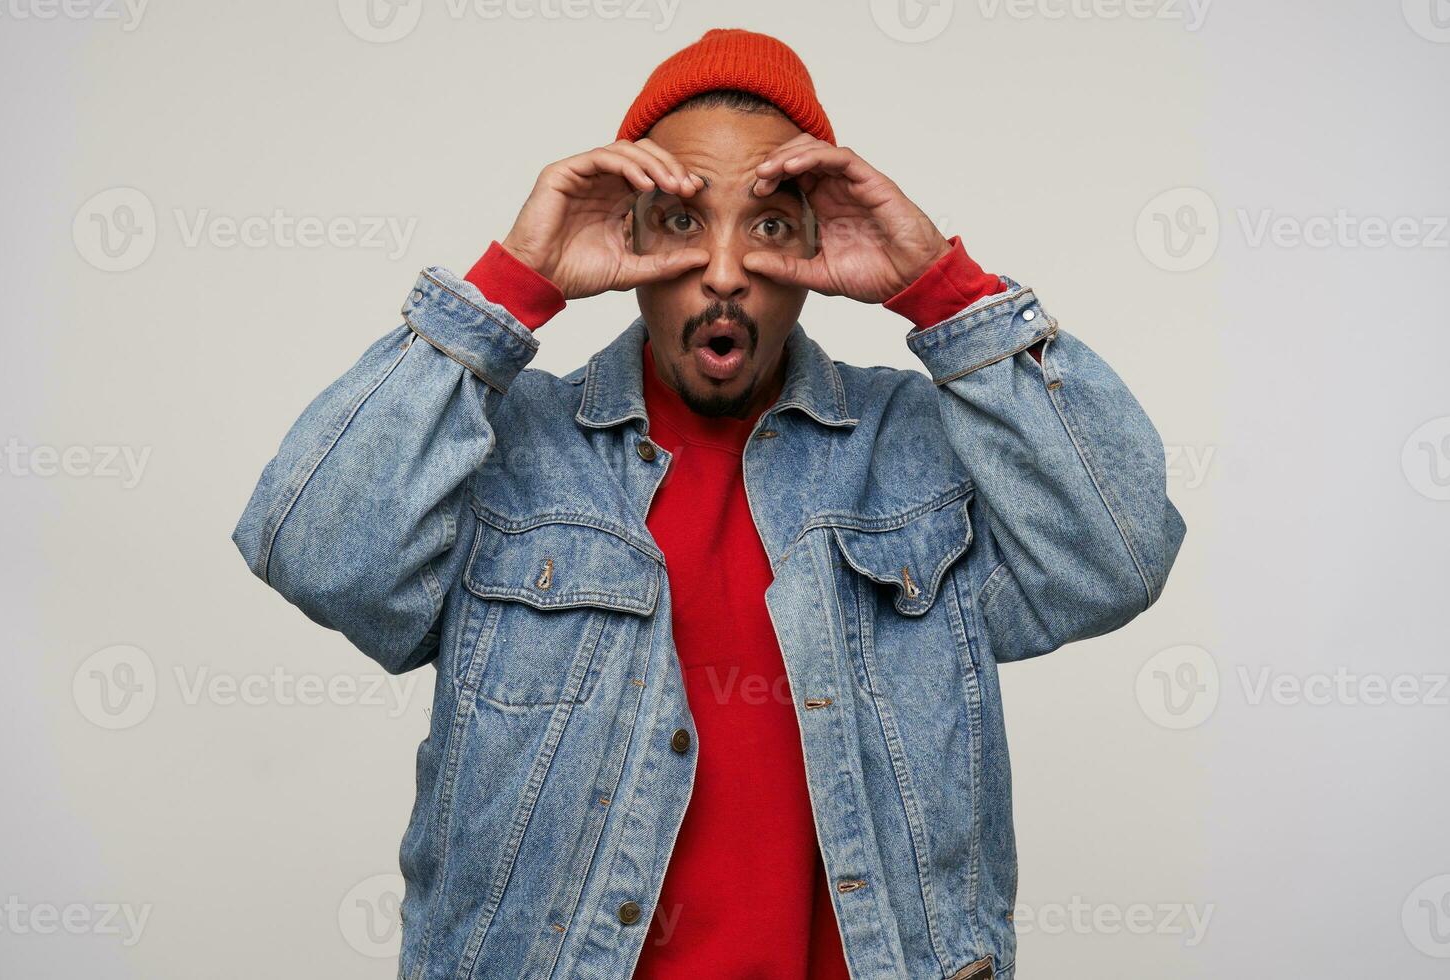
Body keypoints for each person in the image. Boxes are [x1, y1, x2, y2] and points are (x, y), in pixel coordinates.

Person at [233, 28, 1185, 980]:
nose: (726, 272)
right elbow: (320, 552)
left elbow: (1116, 555)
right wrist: (508, 290)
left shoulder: (916, 450)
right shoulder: (511, 446)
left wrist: (941, 290)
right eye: (684, 222)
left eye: (770, 224)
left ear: (822, 244)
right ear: (628, 238)